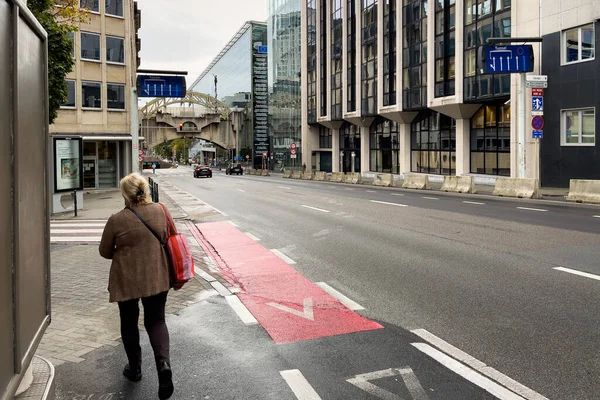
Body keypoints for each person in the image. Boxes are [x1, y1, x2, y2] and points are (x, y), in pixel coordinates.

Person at [99, 172, 174, 400]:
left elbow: (104, 252)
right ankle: (163, 366)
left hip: (127, 280)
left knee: (129, 323)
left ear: (125, 194)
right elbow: (171, 235)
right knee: (156, 320)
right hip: (157, 276)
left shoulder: (116, 219)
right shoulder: (161, 211)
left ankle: (135, 369)